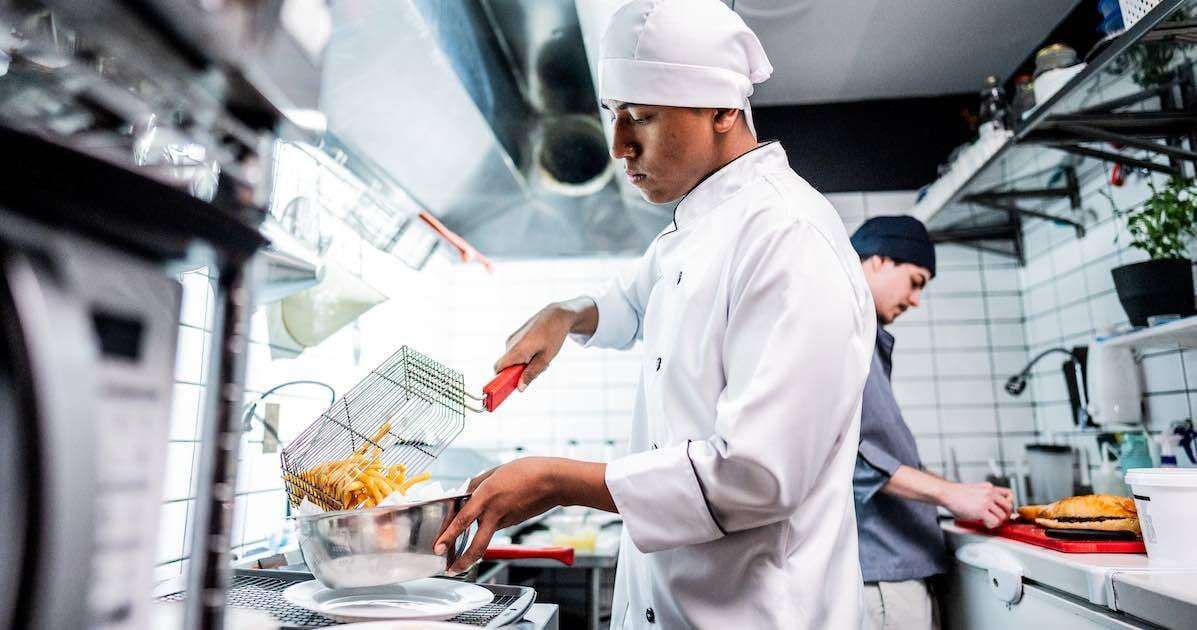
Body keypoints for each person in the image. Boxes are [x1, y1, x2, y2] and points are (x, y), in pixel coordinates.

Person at [433, 0, 875, 627]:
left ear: (723, 109)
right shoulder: (696, 224)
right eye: (614, 116)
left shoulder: (788, 237)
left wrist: (557, 481)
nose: (618, 146)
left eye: (642, 117)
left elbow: (757, 475)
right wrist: (568, 312)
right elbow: (638, 298)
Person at [849, 216, 1015, 630]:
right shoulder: (839, 334)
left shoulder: (864, 339)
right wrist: (950, 495)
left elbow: (875, 453)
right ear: (880, 261)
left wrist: (965, 495)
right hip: (882, 578)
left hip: (896, 573)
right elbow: (844, 460)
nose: (916, 300)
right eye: (916, 280)